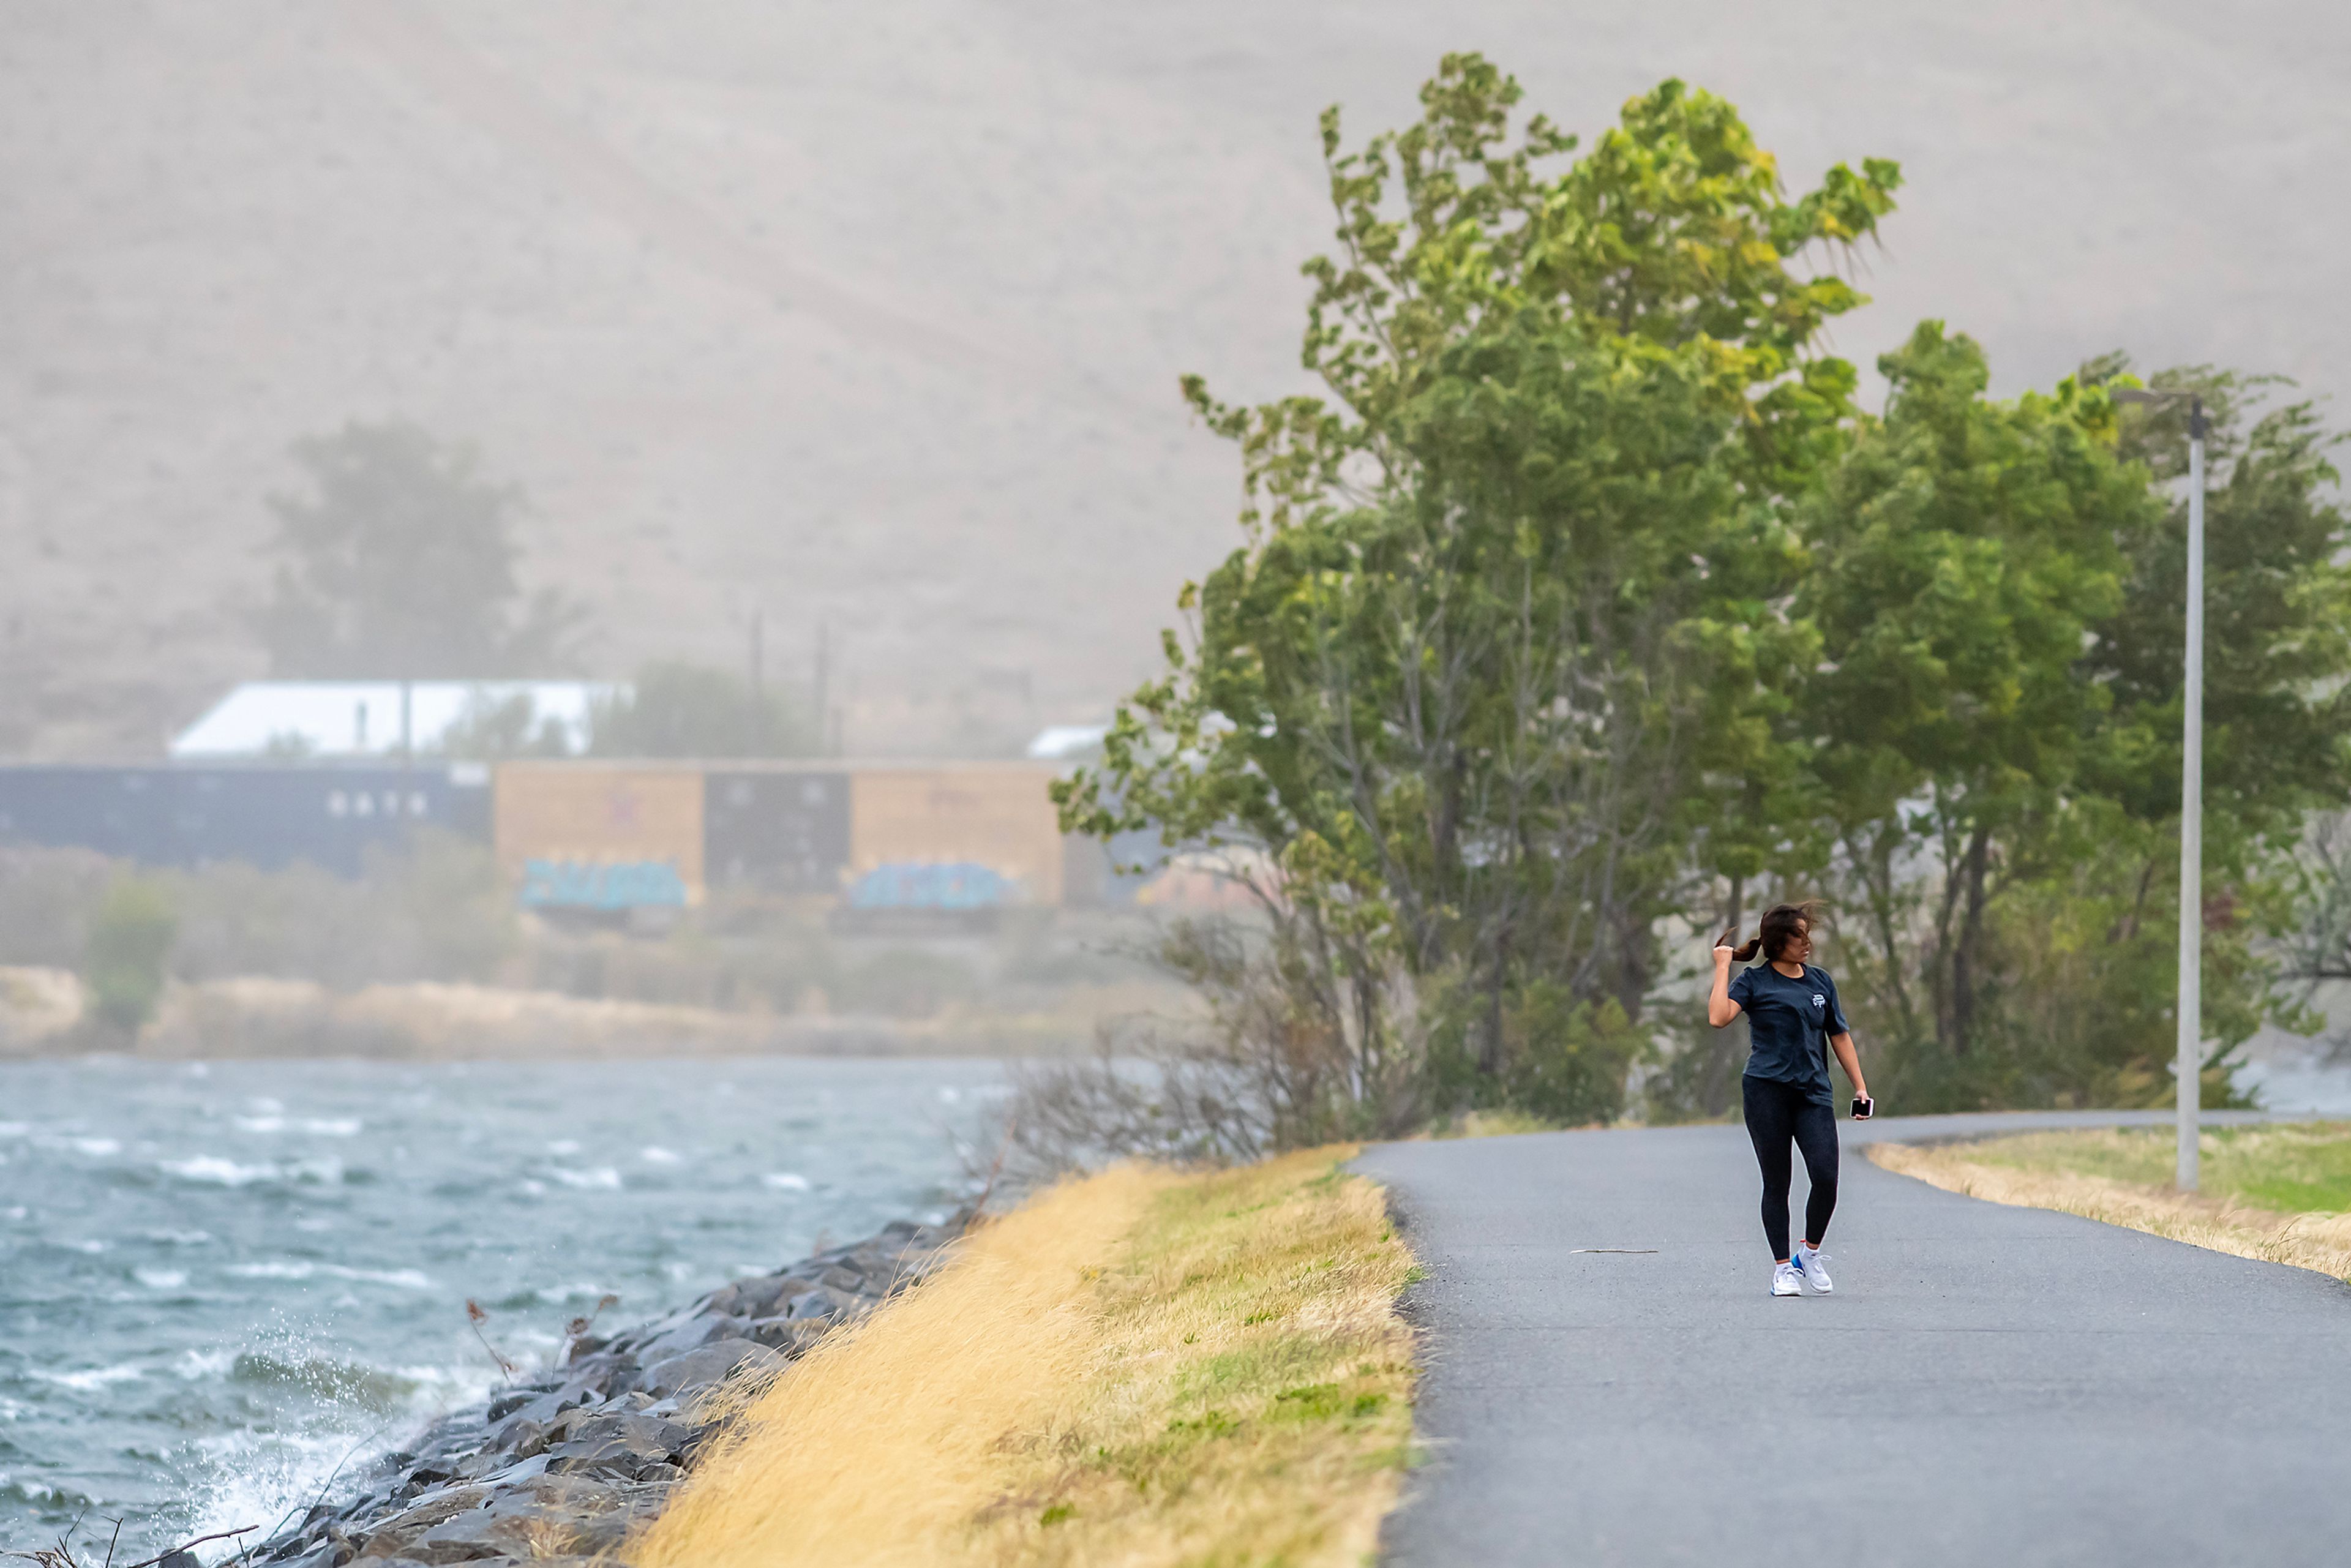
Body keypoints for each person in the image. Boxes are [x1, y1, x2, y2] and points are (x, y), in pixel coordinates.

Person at [1708, 901, 1872, 1297]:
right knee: (1777, 1182)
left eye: (1807, 933)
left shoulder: (1820, 982)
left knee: (1827, 1177)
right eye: (1800, 935)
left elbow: (1839, 1035)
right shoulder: (1755, 982)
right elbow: (1718, 1016)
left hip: (1813, 1092)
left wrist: (1861, 1087)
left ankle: (1809, 1253)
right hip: (1767, 1092)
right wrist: (1722, 965)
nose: (1808, 942)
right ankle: (1782, 1268)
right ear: (1779, 942)